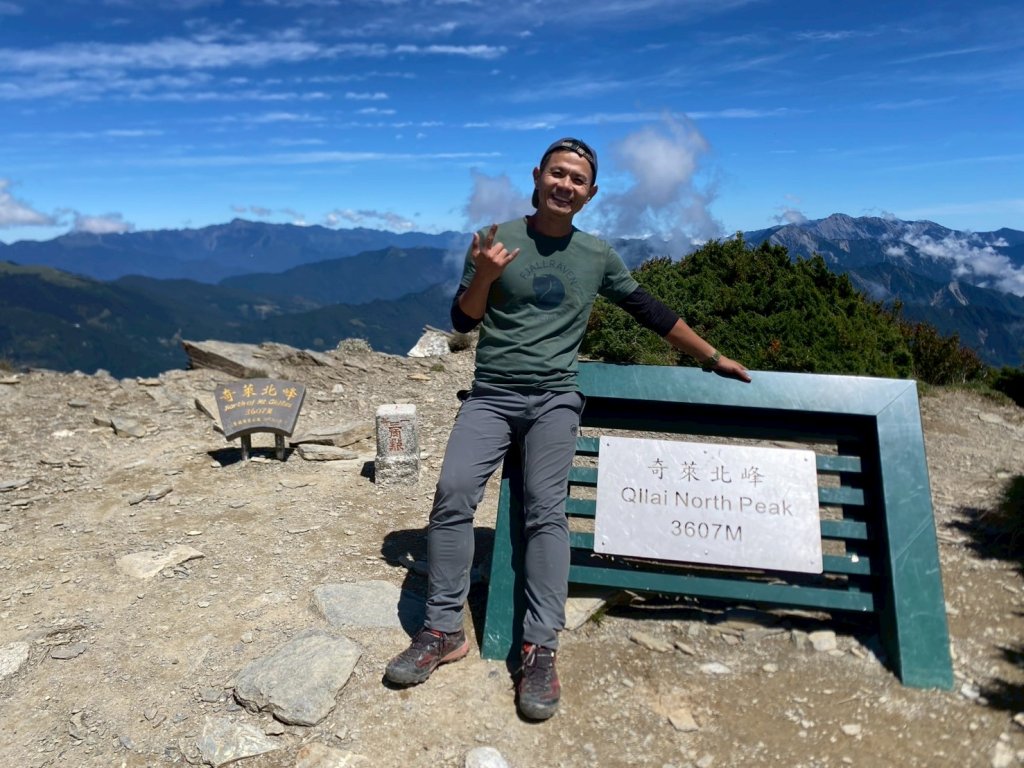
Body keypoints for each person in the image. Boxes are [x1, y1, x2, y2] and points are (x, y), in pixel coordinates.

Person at [384, 137, 751, 720]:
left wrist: (712, 357)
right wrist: (484, 273)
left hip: (556, 398)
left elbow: (649, 311)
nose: (565, 185)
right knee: (453, 493)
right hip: (493, 394)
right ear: (537, 175)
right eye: (558, 174)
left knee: (546, 511)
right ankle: (443, 630)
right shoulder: (494, 237)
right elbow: (462, 320)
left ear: (591, 193)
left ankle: (539, 647)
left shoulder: (597, 254)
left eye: (577, 180)